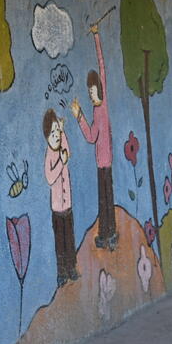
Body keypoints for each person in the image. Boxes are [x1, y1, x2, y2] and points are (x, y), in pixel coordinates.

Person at [72, 22, 116, 250]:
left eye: (93, 90)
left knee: (107, 200)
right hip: (101, 163)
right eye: (89, 92)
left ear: (99, 87)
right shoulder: (94, 111)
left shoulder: (104, 104)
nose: (92, 94)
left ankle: (110, 233)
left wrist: (97, 36)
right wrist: (79, 116)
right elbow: (91, 137)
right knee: (104, 201)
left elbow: (102, 66)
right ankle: (107, 233)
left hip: (106, 162)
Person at [43, 109, 78, 286]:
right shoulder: (50, 155)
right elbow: (50, 177)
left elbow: (67, 150)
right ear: (47, 136)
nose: (56, 136)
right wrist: (60, 163)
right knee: (60, 242)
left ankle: (72, 267)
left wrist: (63, 132)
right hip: (57, 209)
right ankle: (62, 271)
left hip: (68, 205)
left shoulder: (62, 150)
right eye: (53, 133)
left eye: (57, 132)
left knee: (69, 239)